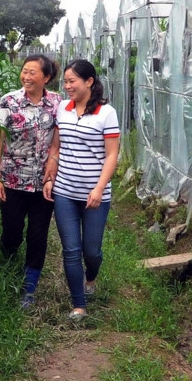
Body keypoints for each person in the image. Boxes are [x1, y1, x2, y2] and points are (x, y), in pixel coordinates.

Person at [44, 59, 119, 322]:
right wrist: (50, 175)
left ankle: (91, 277)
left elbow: (112, 155)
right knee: (71, 250)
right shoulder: (62, 109)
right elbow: (56, 146)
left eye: (72, 81)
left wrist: (99, 188)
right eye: (65, 81)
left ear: (89, 81)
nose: (67, 86)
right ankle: (79, 305)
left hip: (95, 195)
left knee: (92, 251)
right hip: (65, 191)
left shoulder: (106, 113)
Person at [0, 54, 60, 308]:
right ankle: (6, 267)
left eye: (32, 72)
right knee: (12, 233)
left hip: (44, 183)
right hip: (12, 180)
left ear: (46, 77)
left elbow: (58, 139)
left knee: (38, 236)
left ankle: (29, 288)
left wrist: (53, 160)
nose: (26, 77)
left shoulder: (57, 103)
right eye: (24, 71)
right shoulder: (9, 101)